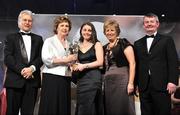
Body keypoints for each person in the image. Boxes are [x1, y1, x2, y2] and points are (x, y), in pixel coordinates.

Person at [134, 13, 179, 115]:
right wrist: (136, 83)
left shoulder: (167, 40)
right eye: (146, 22)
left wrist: (172, 81)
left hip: (162, 85)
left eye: (151, 21)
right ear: (143, 25)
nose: (149, 24)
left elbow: (173, 61)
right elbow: (137, 64)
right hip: (144, 86)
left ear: (157, 24)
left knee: (162, 112)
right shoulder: (137, 43)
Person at [4, 10, 43, 115]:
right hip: (14, 81)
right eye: (25, 20)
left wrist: (32, 69)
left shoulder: (39, 39)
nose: (27, 22)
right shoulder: (10, 38)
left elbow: (40, 58)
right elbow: (8, 58)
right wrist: (23, 70)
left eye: (30, 20)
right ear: (19, 22)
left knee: (29, 112)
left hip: (32, 81)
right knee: (11, 112)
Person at [38, 16, 77, 115]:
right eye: (62, 25)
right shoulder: (49, 41)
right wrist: (66, 60)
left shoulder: (70, 44)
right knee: (51, 106)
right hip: (52, 77)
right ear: (57, 27)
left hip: (65, 78)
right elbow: (47, 59)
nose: (65, 28)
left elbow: (70, 61)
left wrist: (72, 63)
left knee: (62, 106)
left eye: (67, 26)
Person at [103, 19, 136, 115]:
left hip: (122, 80)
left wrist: (130, 83)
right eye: (107, 30)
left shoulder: (123, 43)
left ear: (117, 31)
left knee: (124, 105)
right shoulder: (104, 47)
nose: (109, 32)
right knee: (111, 107)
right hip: (108, 82)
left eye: (112, 30)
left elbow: (132, 63)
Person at [73, 22, 104, 115]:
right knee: (82, 104)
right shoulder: (76, 46)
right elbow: (75, 61)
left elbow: (100, 62)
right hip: (81, 79)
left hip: (93, 78)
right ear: (81, 31)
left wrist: (84, 66)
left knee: (91, 104)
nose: (87, 32)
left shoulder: (97, 44)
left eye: (89, 30)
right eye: (84, 30)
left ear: (93, 32)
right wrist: (73, 66)